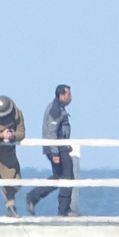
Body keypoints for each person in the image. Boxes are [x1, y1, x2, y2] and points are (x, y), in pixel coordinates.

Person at [26, 85, 75, 217]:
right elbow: (51, 132)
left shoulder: (58, 108)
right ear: (61, 95)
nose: (71, 97)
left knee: (59, 177)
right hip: (58, 149)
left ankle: (33, 197)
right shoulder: (55, 110)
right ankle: (64, 210)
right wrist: (54, 152)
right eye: (68, 94)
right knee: (68, 176)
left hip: (59, 148)